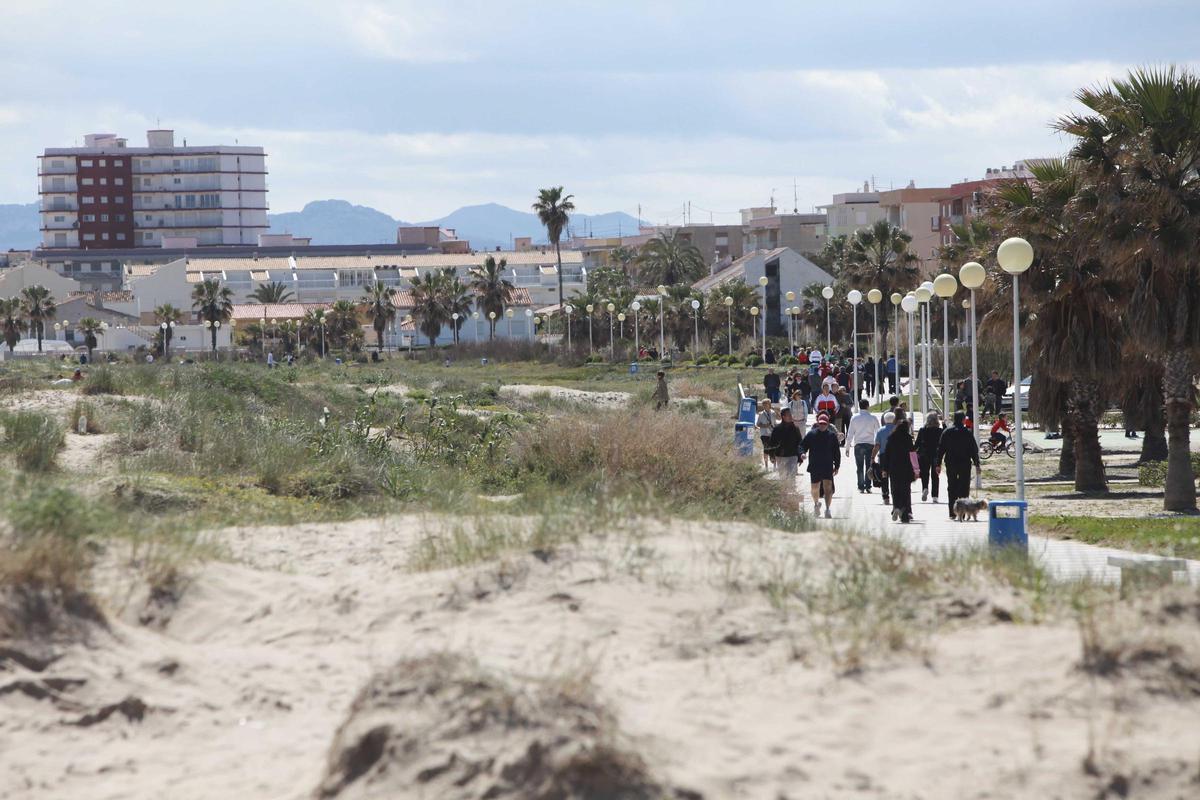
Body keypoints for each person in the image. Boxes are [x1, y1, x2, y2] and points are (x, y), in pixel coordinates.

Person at [936, 410, 983, 520]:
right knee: (964, 487)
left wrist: (937, 464)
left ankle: (953, 512)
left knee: (951, 487)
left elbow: (940, 449)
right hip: (964, 463)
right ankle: (964, 511)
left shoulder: (947, 432)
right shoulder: (967, 432)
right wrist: (977, 464)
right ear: (963, 420)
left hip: (951, 463)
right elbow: (973, 450)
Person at [799, 413, 841, 518]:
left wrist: (837, 466)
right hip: (815, 465)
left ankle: (827, 509)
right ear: (818, 423)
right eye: (821, 423)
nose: (822, 425)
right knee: (815, 488)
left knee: (828, 488)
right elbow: (802, 445)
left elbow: (837, 452)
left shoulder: (832, 436)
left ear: (827, 424)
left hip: (827, 465)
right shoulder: (811, 434)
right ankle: (816, 504)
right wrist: (802, 453)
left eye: (824, 424)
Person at [881, 415, 916, 523]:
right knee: (905, 490)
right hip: (906, 467)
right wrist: (916, 469)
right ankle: (905, 514)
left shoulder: (891, 438)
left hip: (893, 468)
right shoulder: (908, 438)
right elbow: (912, 454)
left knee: (895, 489)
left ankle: (896, 507)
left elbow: (886, 455)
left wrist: (885, 469)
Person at [846, 398, 881, 494]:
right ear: (868, 406)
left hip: (858, 445)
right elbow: (878, 432)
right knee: (869, 466)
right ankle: (868, 485)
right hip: (870, 444)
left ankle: (861, 486)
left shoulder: (854, 418)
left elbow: (850, 433)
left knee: (859, 467)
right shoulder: (873, 418)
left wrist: (847, 447)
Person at [915, 411, 944, 503]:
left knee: (924, 473)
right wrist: (945, 424)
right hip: (936, 454)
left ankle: (925, 488)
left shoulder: (922, 430)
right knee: (935, 475)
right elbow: (943, 442)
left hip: (924, 454)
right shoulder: (940, 431)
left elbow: (917, 444)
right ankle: (935, 496)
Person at [769, 407, 803, 486]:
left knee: (792, 477)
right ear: (783, 417)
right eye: (788, 415)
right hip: (781, 457)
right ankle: (785, 496)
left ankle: (792, 494)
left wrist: (800, 456)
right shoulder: (777, 429)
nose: (791, 416)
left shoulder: (795, 429)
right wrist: (771, 455)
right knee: (783, 478)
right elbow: (772, 443)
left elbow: (800, 443)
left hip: (793, 456)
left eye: (791, 414)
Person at [871, 411, 896, 505]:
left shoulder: (880, 431)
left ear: (884, 420)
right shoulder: (896, 429)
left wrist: (872, 457)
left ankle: (885, 496)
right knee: (894, 477)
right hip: (895, 456)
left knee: (884, 476)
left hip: (883, 456)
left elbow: (877, 445)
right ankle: (895, 495)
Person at [756, 400, 778, 470]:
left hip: (772, 433)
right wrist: (764, 425)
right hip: (764, 434)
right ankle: (766, 467)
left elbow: (776, 422)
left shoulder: (773, 413)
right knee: (766, 449)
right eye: (764, 404)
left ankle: (774, 466)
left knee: (774, 449)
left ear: (769, 404)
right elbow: (758, 424)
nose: (765, 405)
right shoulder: (761, 414)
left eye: (766, 404)